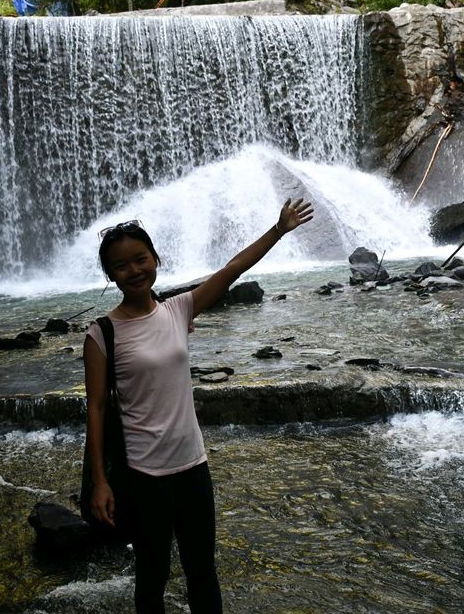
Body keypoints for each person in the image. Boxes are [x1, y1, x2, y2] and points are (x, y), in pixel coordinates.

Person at [83, 197, 314, 614]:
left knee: (202, 571)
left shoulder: (179, 310)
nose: (134, 270)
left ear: (156, 258)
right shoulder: (102, 334)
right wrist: (101, 481)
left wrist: (278, 230)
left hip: (193, 466)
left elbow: (232, 270)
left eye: (141, 259)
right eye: (122, 265)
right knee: (152, 574)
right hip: (143, 473)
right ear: (110, 274)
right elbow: (96, 409)